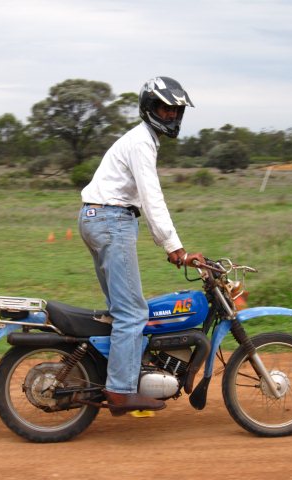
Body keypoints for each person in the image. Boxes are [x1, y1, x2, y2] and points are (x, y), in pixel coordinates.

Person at [78, 76, 205, 416]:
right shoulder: (141, 143)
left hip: (97, 218)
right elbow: (152, 198)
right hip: (110, 220)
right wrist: (174, 247)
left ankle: (123, 375)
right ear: (150, 108)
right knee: (133, 312)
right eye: (165, 109)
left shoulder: (142, 140)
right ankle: (121, 391)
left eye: (176, 110)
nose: (171, 116)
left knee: (120, 311)